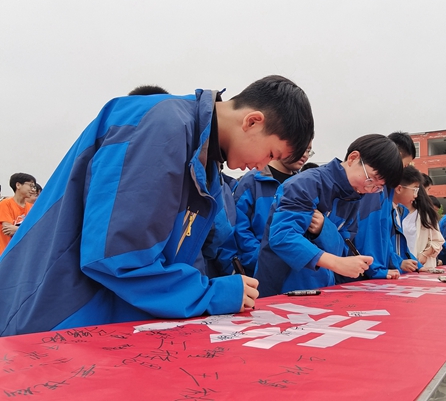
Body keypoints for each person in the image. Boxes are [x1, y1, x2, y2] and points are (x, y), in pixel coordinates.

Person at [0, 75, 315, 336]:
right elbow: (117, 257)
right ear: (253, 121)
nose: (263, 165)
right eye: (272, 153)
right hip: (57, 318)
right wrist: (213, 293)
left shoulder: (202, 157)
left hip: (97, 322)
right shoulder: (163, 127)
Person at [255, 134, 404, 297]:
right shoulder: (306, 184)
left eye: (378, 187)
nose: (370, 190)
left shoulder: (354, 197)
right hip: (283, 287)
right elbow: (283, 237)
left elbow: (346, 246)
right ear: (353, 158)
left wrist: (326, 230)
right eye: (371, 180)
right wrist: (337, 262)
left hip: (323, 287)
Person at [233, 142, 313, 276]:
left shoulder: (305, 185)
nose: (305, 154)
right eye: (301, 147)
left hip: (298, 272)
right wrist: (261, 258)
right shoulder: (252, 181)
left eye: (309, 150)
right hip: (260, 272)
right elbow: (240, 228)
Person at [351, 131, 416, 282]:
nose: (403, 170)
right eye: (405, 165)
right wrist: (376, 269)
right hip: (364, 272)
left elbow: (384, 237)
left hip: (375, 270)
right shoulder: (374, 187)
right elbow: (368, 230)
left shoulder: (386, 189)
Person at [397, 166, 445, 270]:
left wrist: (425, 254)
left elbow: (438, 241)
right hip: (400, 267)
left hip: (421, 266)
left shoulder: (425, 215)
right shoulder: (393, 212)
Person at [0, 173, 37, 256]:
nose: (33, 190)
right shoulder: (5, 204)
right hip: (6, 254)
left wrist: (17, 229)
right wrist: (28, 230)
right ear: (18, 185)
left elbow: (37, 230)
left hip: (23, 255)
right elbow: (8, 230)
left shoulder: (32, 208)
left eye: (34, 187)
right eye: (31, 186)